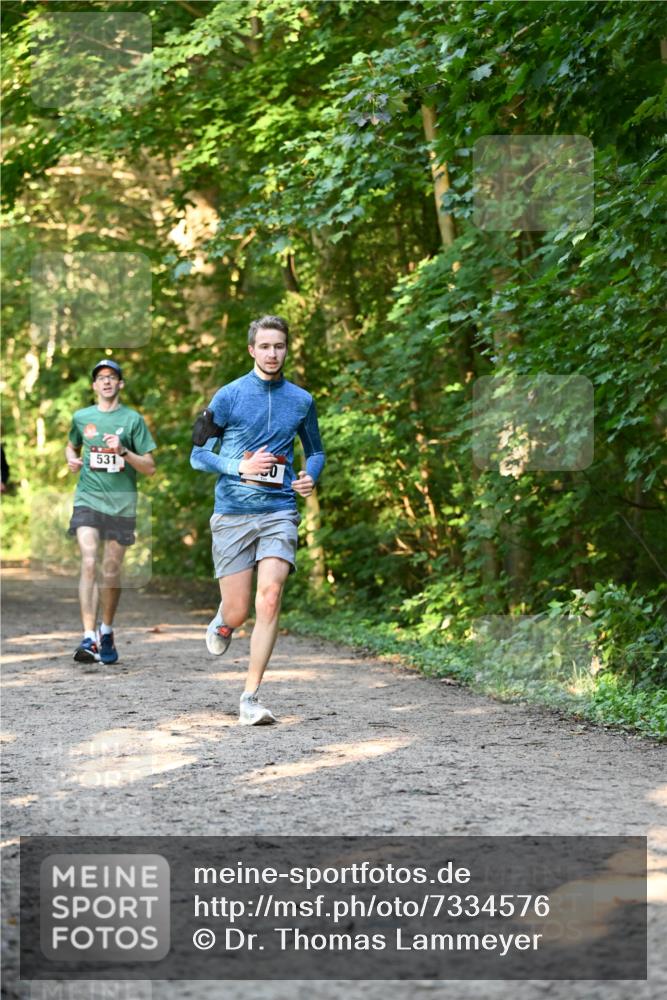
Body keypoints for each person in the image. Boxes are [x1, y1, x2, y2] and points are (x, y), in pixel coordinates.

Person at [190, 314, 325, 726]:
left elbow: (315, 451)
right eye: (265, 346)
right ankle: (224, 622)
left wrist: (309, 477)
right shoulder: (228, 396)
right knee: (238, 611)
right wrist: (239, 468)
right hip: (233, 512)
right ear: (252, 350)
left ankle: (250, 697)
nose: (272, 353)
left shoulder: (301, 400)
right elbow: (198, 455)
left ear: (287, 349)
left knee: (269, 598)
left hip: (279, 510)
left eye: (279, 346)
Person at [65, 360, 156, 665]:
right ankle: (88, 636)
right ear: (94, 385)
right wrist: (72, 460)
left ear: (120, 384)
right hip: (88, 499)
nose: (106, 382)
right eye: (101, 378)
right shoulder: (81, 417)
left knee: (110, 570)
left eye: (112, 377)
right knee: (89, 561)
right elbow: (71, 447)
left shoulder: (132, 420)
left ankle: (106, 629)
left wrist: (124, 452)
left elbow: (150, 467)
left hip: (122, 504)